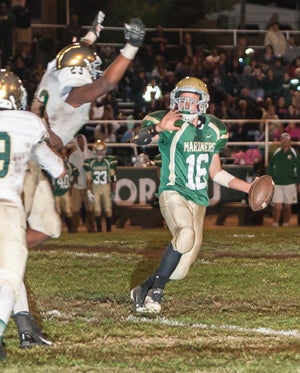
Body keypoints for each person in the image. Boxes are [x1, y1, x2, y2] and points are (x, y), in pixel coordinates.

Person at [15, 11, 145, 347]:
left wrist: (93, 34)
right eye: (87, 67)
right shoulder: (72, 93)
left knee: (49, 228)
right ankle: (11, 282)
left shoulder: (52, 72)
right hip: (27, 162)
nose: (92, 70)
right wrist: (131, 47)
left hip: (34, 157)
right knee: (16, 245)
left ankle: (7, 255)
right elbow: (106, 84)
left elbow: (74, 52)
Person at [130, 76, 258, 314]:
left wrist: (249, 188)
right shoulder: (169, 122)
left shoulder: (214, 129)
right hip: (173, 191)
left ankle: (144, 287)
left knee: (179, 270)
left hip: (198, 201)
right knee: (185, 234)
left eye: (192, 100)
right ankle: (154, 296)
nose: (187, 105)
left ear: (203, 103)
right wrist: (158, 128)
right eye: (183, 100)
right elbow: (139, 139)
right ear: (174, 101)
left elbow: (216, 172)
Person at [0, 70, 65, 359]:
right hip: (6, 205)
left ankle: (27, 328)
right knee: (9, 276)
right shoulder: (28, 123)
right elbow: (56, 167)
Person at [266, 132, 300, 227]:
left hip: (290, 183)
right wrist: (269, 181)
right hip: (277, 183)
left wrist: (298, 183)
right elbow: (270, 168)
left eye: (286, 139)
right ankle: (275, 224)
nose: (284, 141)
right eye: (283, 139)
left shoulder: (295, 154)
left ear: (290, 141)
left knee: (287, 205)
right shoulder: (275, 154)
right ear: (280, 141)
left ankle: (286, 224)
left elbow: (299, 168)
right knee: (277, 206)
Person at [83, 140, 118, 232]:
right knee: (97, 209)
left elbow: (113, 176)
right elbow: (89, 179)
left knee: (108, 209)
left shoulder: (108, 161)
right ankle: (99, 230)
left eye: (101, 150)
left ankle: (109, 229)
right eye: (98, 150)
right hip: (95, 187)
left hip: (106, 186)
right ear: (94, 150)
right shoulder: (90, 162)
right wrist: (88, 190)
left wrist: (114, 189)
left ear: (104, 150)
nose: (99, 152)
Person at [48, 147, 79, 233]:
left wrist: (72, 183)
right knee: (57, 211)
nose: (63, 157)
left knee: (68, 210)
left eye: (64, 155)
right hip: (56, 192)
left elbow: (76, 173)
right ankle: (57, 230)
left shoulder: (69, 166)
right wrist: (50, 184)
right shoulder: (53, 165)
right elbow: (46, 175)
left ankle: (71, 229)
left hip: (65, 191)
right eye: (61, 155)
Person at [68, 134, 95, 233]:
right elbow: (70, 169)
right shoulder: (73, 155)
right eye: (78, 141)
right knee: (75, 207)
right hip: (76, 185)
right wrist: (71, 182)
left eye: (82, 140)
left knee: (89, 207)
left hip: (88, 185)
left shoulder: (92, 154)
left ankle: (91, 227)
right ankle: (74, 227)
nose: (80, 143)